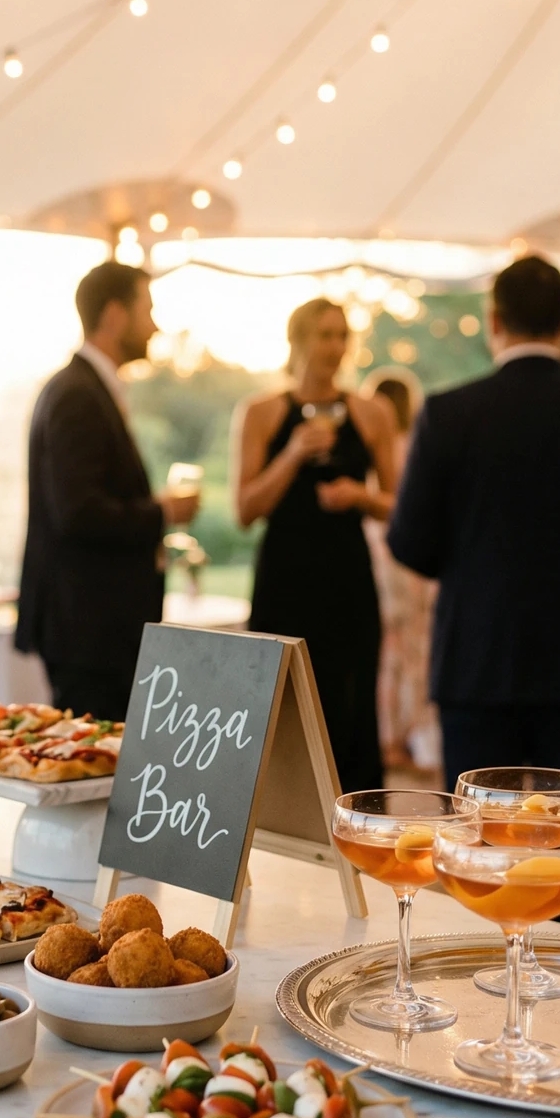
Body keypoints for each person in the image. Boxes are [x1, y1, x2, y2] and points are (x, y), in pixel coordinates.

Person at [388, 253, 560, 807]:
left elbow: (409, 541)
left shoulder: (448, 413)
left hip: (478, 656)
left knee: (479, 843)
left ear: (494, 321)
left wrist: (474, 580)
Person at [17, 261, 199, 723]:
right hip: (88, 630)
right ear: (115, 315)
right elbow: (77, 511)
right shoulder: (78, 394)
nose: (155, 325)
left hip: (93, 627)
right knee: (90, 766)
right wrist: (161, 513)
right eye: (148, 309)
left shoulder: (89, 388)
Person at [234, 299, 397, 792]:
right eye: (324, 335)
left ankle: (357, 831)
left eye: (342, 335)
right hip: (284, 579)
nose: (335, 347)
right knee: (275, 712)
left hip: (347, 579)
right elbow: (244, 510)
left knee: (350, 707)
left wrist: (359, 496)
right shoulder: (261, 412)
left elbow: (399, 504)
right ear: (298, 340)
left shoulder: (372, 412)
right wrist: (293, 453)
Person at [362, 370, 439, 771]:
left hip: (382, 554)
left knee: (393, 650)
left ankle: (395, 737)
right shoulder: (412, 446)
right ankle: (407, 735)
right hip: (405, 558)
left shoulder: (375, 446)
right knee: (410, 649)